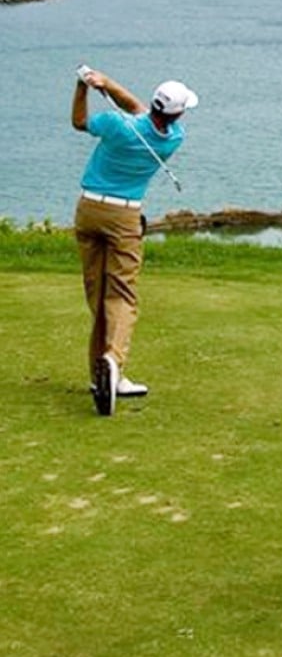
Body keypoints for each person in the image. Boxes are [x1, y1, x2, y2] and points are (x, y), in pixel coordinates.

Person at [72, 66, 198, 416]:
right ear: (177, 113)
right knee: (122, 293)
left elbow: (79, 121)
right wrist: (107, 84)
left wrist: (83, 87)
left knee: (97, 294)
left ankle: (101, 375)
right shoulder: (173, 138)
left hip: (88, 210)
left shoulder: (117, 125)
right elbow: (139, 111)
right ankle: (113, 362)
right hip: (124, 217)